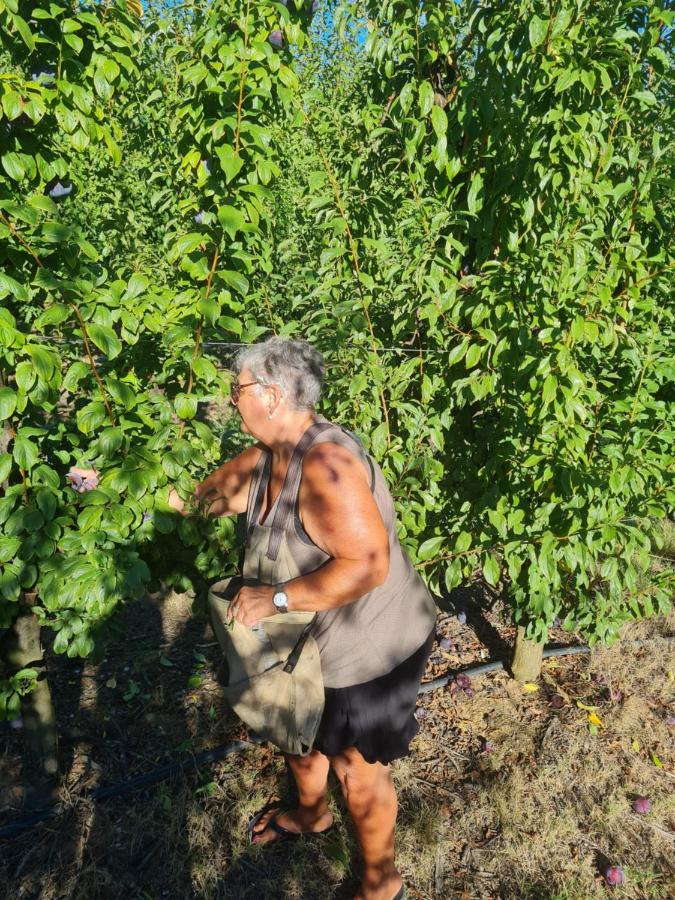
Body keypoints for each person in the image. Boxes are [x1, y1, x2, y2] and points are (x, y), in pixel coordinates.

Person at [168, 337, 437, 900]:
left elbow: (366, 565)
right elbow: (206, 499)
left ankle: (379, 883)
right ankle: (312, 815)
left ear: (269, 395)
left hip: (368, 650)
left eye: (236, 388)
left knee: (355, 768)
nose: (229, 397)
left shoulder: (327, 466)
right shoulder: (271, 453)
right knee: (296, 727)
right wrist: (117, 489)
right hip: (304, 646)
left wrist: (278, 599)